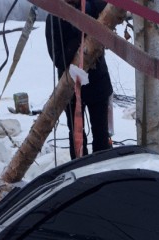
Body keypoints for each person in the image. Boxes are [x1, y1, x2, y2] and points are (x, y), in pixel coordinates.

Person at [45, 0, 113, 159]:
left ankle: (103, 166)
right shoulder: (54, 18)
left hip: (98, 82)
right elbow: (59, 59)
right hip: (71, 87)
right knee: (77, 137)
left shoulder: (92, 5)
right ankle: (81, 168)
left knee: (101, 134)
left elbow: (109, 10)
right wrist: (80, 38)